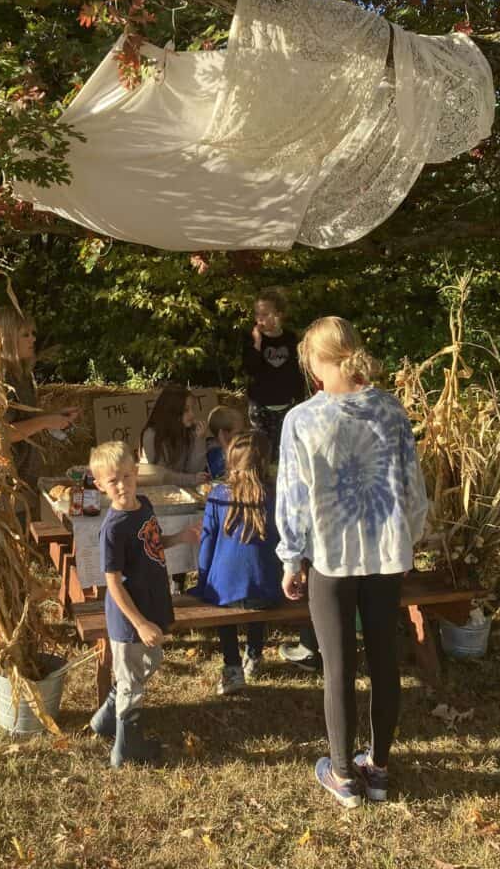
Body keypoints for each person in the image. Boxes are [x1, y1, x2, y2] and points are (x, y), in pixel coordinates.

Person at [276, 316, 428, 809]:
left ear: (318, 363)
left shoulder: (301, 419)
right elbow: (411, 486)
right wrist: (408, 541)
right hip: (385, 555)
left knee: (337, 667)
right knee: (385, 662)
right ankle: (378, 770)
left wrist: (290, 557)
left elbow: (293, 498)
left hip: (331, 558)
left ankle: (343, 775)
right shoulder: (390, 409)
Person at [88, 441, 201, 768]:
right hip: (129, 618)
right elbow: (112, 582)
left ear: (136, 473)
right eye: (113, 481)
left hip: (152, 604)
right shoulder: (113, 529)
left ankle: (105, 719)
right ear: (100, 486)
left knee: (148, 662)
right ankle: (126, 748)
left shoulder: (145, 505)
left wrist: (180, 538)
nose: (122, 485)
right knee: (132, 682)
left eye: (126, 476)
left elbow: (153, 543)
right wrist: (139, 623)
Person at [191, 431, 283, 695]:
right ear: (266, 460)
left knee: (223, 592)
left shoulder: (219, 494)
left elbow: (206, 545)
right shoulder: (274, 494)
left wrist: (202, 580)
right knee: (256, 583)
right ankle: (254, 654)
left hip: (226, 591)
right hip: (267, 590)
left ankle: (232, 666)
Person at [0, 306, 78, 519]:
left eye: (33, 333)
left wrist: (55, 417)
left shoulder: (21, 375)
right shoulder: (0, 379)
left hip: (26, 477)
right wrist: (47, 420)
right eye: (25, 334)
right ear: (7, 338)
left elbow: (27, 419)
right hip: (8, 484)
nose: (33, 339)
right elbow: (3, 434)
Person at [242, 287, 304, 463]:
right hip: (261, 406)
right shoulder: (252, 339)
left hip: (287, 405)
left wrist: (299, 401)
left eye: (265, 314)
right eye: (257, 314)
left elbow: (297, 371)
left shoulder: (291, 339)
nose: (260, 319)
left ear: (279, 315)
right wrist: (258, 344)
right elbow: (250, 369)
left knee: (286, 451)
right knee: (262, 453)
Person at [139, 384, 209, 486]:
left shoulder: (188, 431)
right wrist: (191, 479)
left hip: (183, 488)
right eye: (186, 410)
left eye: (192, 409)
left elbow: (194, 470)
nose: (192, 414)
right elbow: (162, 476)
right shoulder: (152, 435)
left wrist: (200, 439)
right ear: (171, 412)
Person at [205, 404, 246, 479]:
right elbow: (226, 477)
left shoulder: (238, 446)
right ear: (223, 434)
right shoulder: (214, 453)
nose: (242, 436)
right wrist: (225, 447)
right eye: (238, 433)